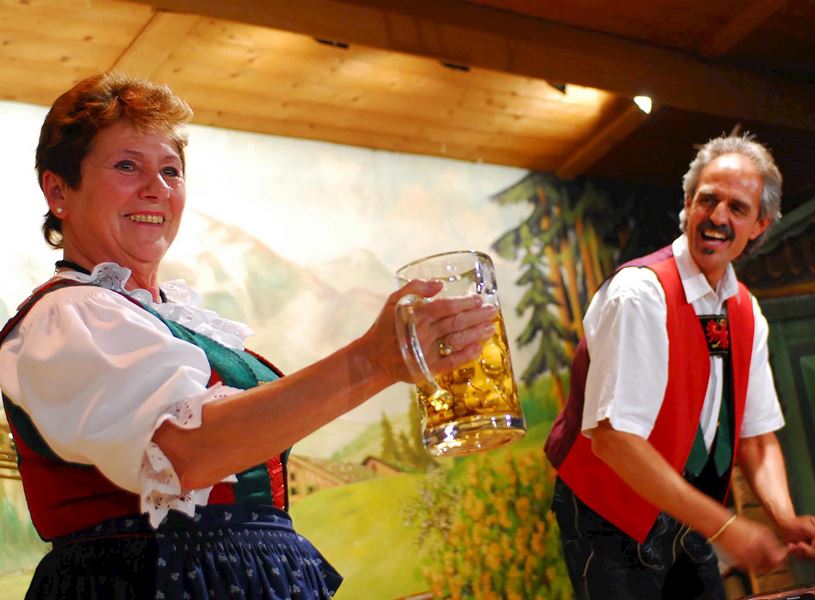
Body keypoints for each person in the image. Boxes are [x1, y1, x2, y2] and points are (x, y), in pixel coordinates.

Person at [0, 72, 499, 599]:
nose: (157, 189)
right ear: (58, 190)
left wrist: (389, 361)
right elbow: (185, 454)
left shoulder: (162, 317)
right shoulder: (67, 319)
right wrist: (374, 361)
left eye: (171, 171)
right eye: (127, 165)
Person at [544, 134, 815, 599]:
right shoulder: (639, 294)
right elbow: (614, 441)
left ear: (760, 225)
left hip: (689, 518)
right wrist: (727, 527)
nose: (717, 217)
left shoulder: (747, 311)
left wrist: (783, 517)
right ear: (688, 204)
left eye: (737, 207)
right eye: (707, 199)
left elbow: (757, 435)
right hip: (611, 522)